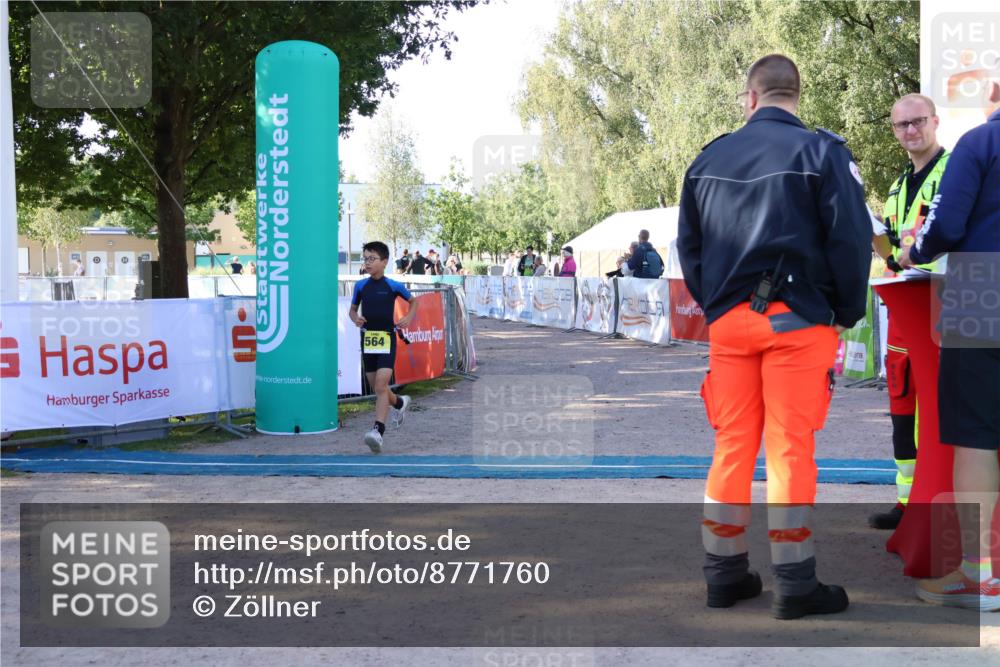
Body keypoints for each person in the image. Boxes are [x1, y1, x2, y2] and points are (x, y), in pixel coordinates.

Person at [677, 54, 871, 619]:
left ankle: (724, 574)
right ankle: (794, 583)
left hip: (730, 325)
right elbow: (851, 239)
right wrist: (844, 310)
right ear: (796, 95)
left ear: (750, 97)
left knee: (731, 446)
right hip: (799, 321)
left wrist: (718, 304)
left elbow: (689, 246)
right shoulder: (823, 153)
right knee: (790, 451)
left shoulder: (709, 157)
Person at [901, 100, 1000, 611]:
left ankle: (981, 576)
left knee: (976, 438)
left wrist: (910, 252)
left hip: (984, 298)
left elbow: (945, 224)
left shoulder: (980, 142)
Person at [868, 94, 951, 531]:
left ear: (935, 121)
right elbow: (894, 249)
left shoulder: (954, 172)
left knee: (942, 409)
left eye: (917, 122)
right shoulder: (898, 187)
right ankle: (906, 500)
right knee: (902, 406)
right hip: (903, 311)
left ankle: (938, 502)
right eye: (902, 125)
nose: (910, 131)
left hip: (947, 307)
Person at [349, 241, 419, 454]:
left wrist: (407, 317)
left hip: (387, 339)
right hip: (369, 340)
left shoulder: (393, 285)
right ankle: (399, 403)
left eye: (372, 259)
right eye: (365, 258)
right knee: (378, 388)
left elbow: (414, 302)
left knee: (381, 385)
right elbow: (352, 310)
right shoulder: (360, 286)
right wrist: (356, 319)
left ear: (384, 262)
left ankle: (377, 432)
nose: (367, 262)